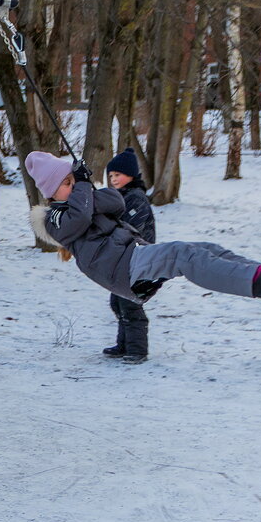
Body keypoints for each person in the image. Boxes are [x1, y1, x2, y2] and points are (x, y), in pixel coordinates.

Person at [24, 152, 261, 325]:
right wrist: (83, 187)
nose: (73, 185)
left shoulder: (81, 199)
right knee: (183, 255)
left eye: (72, 180)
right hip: (120, 268)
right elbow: (79, 218)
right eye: (66, 183)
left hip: (131, 256)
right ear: (51, 192)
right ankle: (258, 282)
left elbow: (116, 202)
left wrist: (85, 186)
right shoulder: (53, 218)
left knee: (206, 248)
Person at [102, 147, 156, 363]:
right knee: (118, 302)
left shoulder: (136, 198)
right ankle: (123, 344)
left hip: (138, 259)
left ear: (131, 175)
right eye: (111, 176)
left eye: (118, 174)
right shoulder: (120, 196)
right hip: (122, 259)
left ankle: (137, 349)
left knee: (131, 304)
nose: (114, 179)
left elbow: (131, 228)